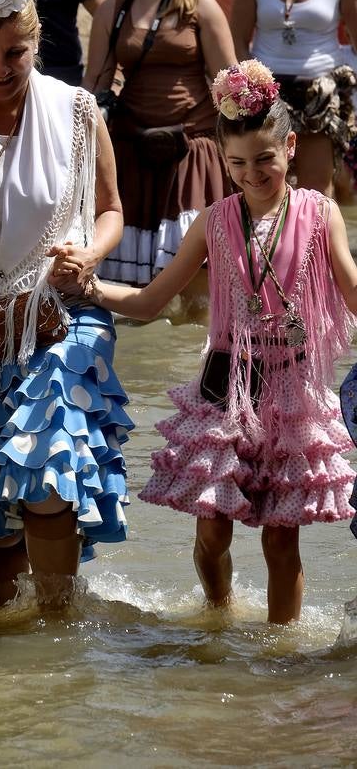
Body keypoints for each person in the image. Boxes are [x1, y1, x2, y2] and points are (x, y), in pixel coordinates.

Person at [51, 60, 357, 624]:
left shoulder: (320, 213)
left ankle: (277, 650)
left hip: (292, 389)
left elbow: (352, 291)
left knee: (280, 543)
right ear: (222, 159)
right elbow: (150, 301)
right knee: (212, 530)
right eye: (237, 163)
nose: (252, 174)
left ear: (290, 147)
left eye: (265, 159)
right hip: (225, 383)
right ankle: (217, 616)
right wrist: (89, 286)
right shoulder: (214, 222)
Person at [0, 0, 132, 609]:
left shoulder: (78, 111)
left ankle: (59, 630)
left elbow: (110, 209)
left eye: (14, 52)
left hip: (57, 318)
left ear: (37, 42)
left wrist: (90, 251)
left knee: (46, 478)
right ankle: (8, 664)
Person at [83, 0, 235, 289]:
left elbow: (230, 83)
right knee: (134, 282)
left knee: (200, 279)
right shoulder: (111, 10)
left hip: (192, 149)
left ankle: (192, 350)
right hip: (132, 149)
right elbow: (94, 85)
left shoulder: (200, 5)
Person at [232, 0, 357, 197]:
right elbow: (237, 39)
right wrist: (249, 95)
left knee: (317, 197)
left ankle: (317, 250)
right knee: (265, 191)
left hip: (320, 93)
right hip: (265, 93)